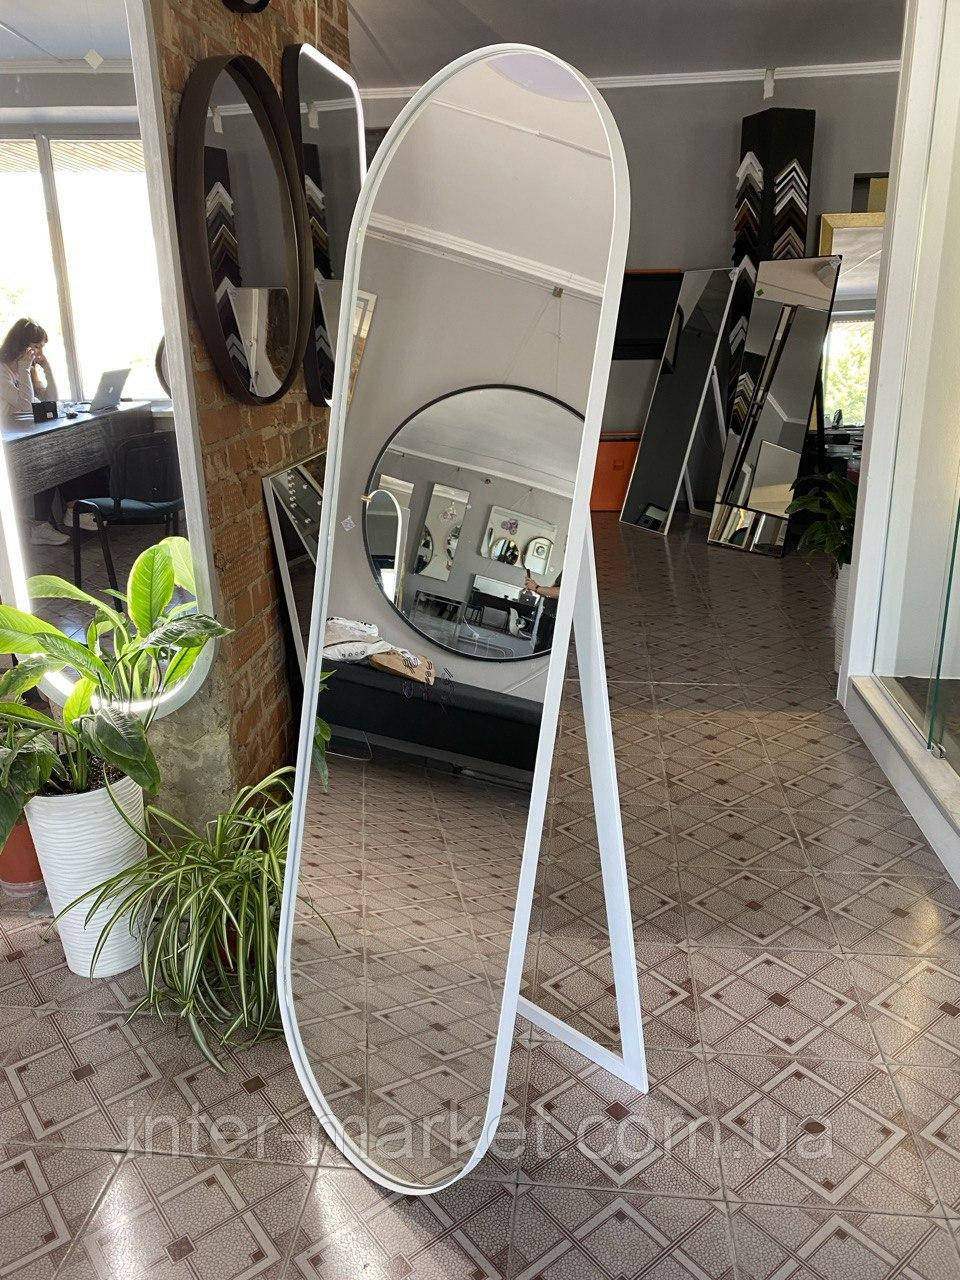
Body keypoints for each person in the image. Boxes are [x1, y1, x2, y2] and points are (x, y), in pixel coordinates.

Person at [0, 318, 84, 547]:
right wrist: (25, 368)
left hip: (21, 437)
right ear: (21, 345)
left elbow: (50, 401)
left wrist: (47, 369)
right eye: (36, 346)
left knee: (62, 450)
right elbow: (27, 405)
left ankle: (72, 510)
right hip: (7, 443)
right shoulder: (3, 370)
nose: (39, 352)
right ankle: (40, 526)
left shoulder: (25, 370)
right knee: (44, 459)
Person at [525, 570, 562, 650]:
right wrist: (535, 588)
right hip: (548, 617)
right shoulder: (565, 570)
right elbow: (551, 593)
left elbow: (562, 592)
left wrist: (536, 587)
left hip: (553, 619)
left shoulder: (573, 570)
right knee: (539, 649)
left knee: (542, 650)